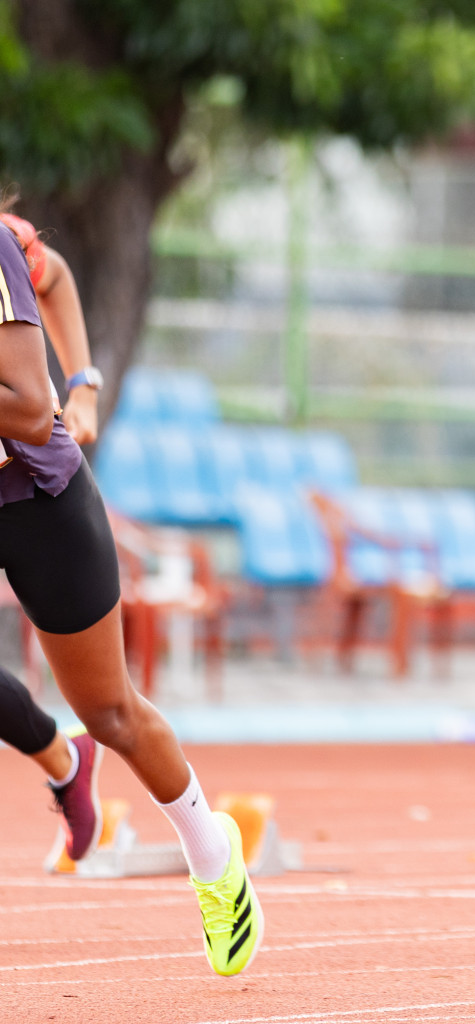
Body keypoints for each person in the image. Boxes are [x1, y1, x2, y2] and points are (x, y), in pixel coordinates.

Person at [0, 214, 262, 975]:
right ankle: (62, 764)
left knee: (110, 712)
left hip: (36, 498)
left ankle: (212, 855)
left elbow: (29, 405)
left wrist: (81, 386)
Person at [0, 208, 109, 862]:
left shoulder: (3, 244)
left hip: (22, 484)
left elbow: (56, 275)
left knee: (108, 699)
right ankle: (66, 761)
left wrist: (83, 384)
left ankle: (69, 760)